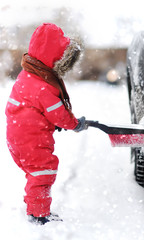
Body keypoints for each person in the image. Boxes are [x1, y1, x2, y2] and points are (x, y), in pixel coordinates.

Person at [5, 23, 87, 225]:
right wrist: (75, 124)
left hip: (19, 137)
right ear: (52, 55)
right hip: (31, 139)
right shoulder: (43, 85)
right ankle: (39, 215)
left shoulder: (27, 75)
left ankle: (34, 206)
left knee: (36, 173)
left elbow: (32, 108)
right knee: (43, 172)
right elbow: (58, 114)